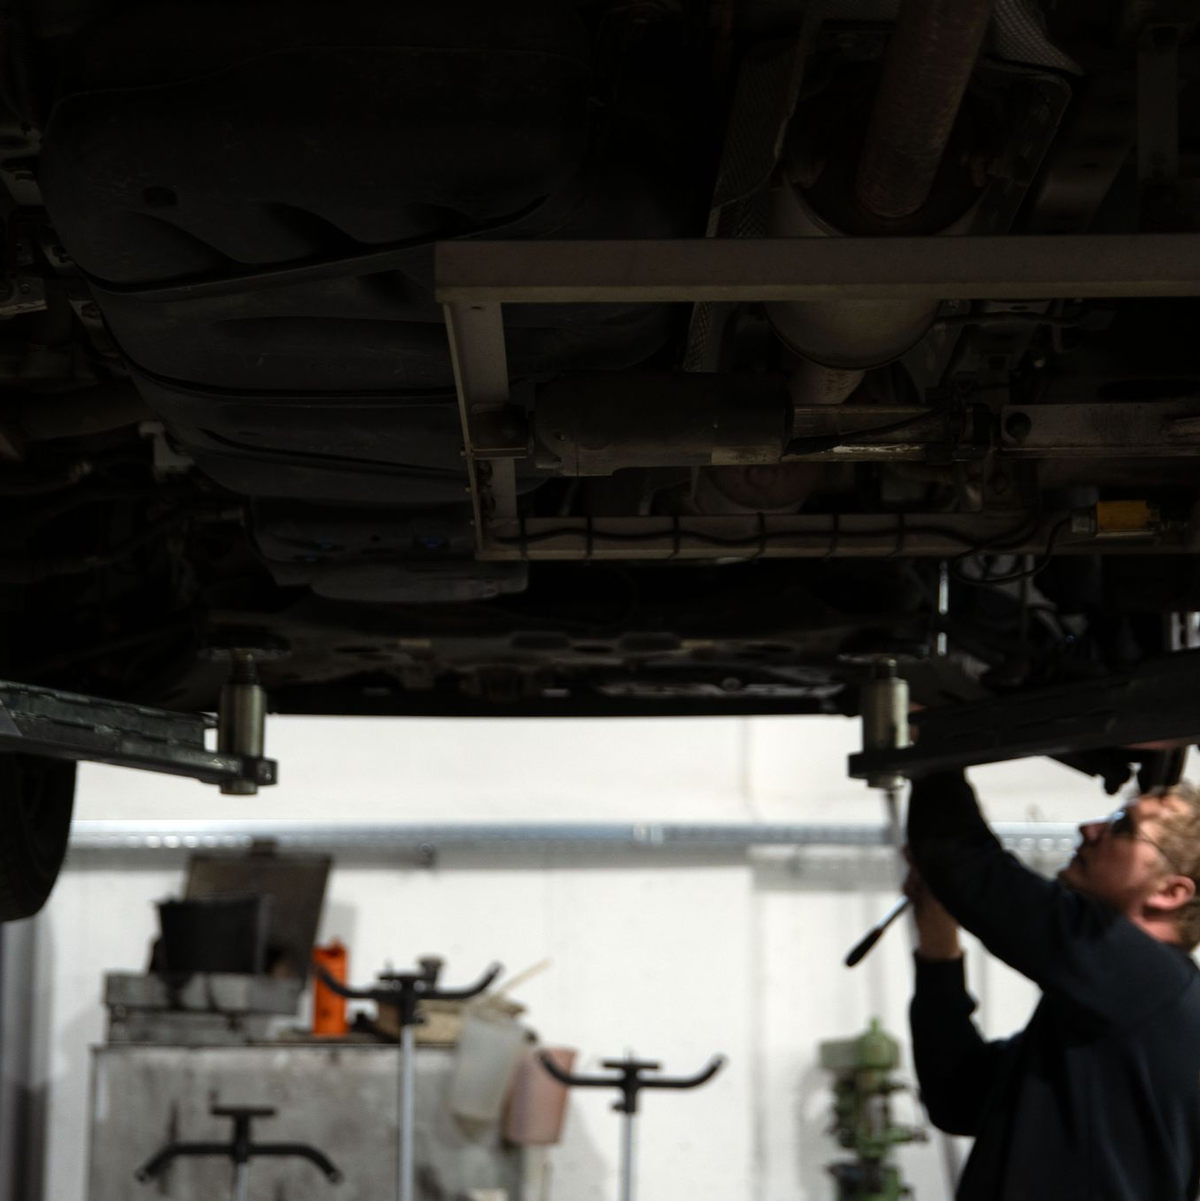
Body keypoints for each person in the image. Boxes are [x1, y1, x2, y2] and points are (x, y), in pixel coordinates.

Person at [905, 770, 1200, 1201]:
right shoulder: (1129, 1008)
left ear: (1170, 892)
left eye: (1122, 827)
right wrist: (938, 942)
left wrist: (935, 749)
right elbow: (959, 1097)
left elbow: (964, 865)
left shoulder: (1149, 978)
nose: (1090, 829)